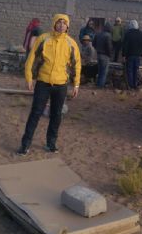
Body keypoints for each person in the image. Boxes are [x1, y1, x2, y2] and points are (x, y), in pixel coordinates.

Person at [16, 14, 81, 155]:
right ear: (54, 23)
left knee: (56, 115)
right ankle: (25, 145)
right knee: (35, 113)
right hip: (43, 83)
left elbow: (76, 64)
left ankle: (51, 144)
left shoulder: (71, 43)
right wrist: (29, 78)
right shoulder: (44, 39)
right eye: (59, 22)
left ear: (67, 26)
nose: (61, 25)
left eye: (64, 23)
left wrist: (76, 84)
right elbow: (31, 58)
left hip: (61, 85)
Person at [122, 19, 142, 89]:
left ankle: (130, 85)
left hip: (130, 55)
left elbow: (125, 46)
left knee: (130, 70)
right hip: (138, 56)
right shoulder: (141, 34)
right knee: (136, 70)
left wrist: (123, 55)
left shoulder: (128, 34)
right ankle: (135, 84)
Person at [93, 21, 113, 88]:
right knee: (104, 72)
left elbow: (93, 43)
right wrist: (110, 55)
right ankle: (100, 86)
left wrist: (97, 49)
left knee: (99, 71)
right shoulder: (108, 35)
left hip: (98, 54)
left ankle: (98, 84)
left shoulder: (98, 34)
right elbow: (109, 47)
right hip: (105, 56)